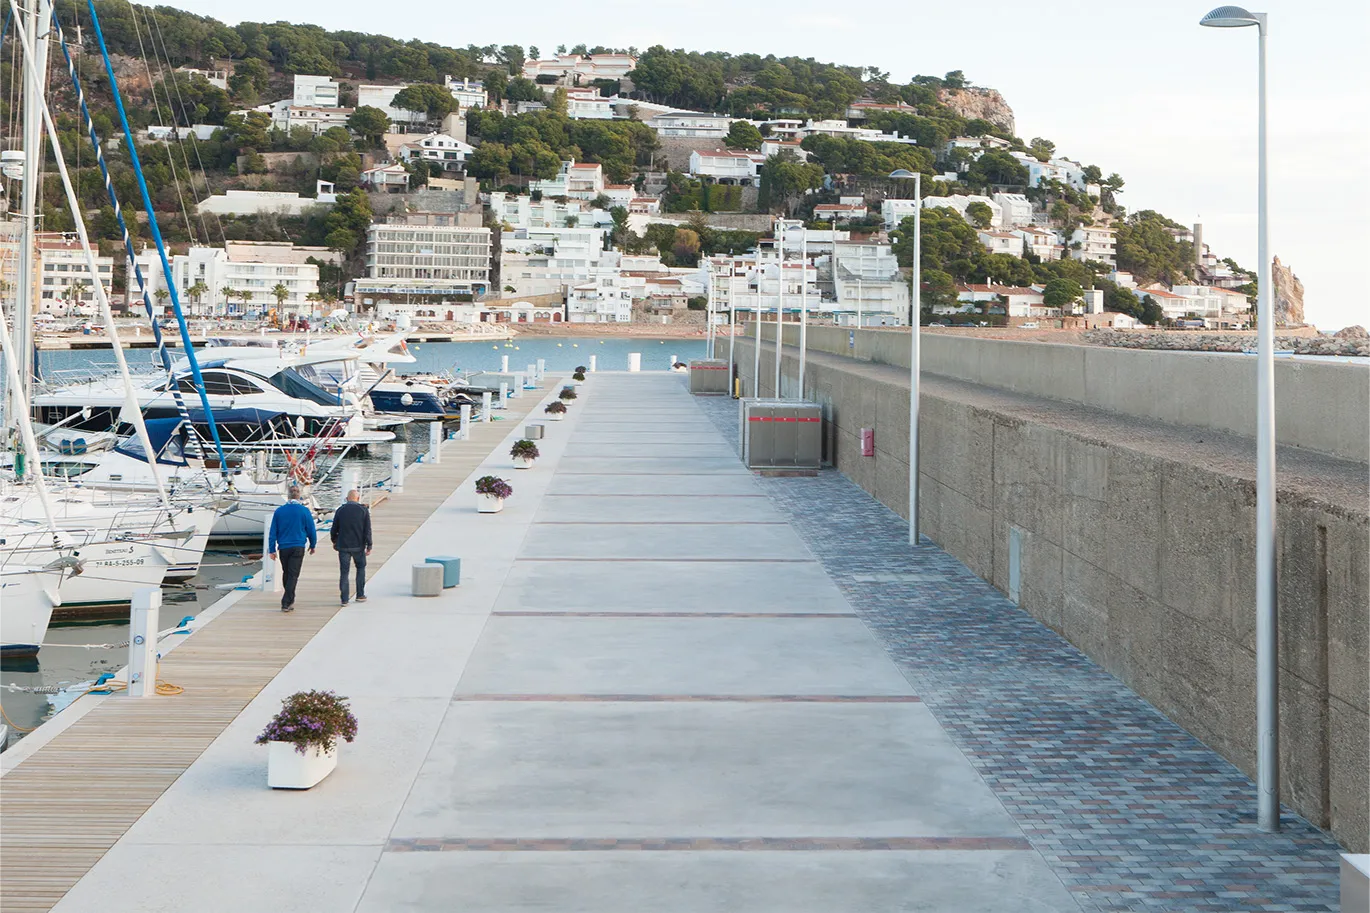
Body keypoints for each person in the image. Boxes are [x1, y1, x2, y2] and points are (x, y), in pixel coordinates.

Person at [268, 486, 317, 612]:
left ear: (288, 495)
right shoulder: (304, 511)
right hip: (298, 545)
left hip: (284, 546)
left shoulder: (279, 511)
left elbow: (273, 531)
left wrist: (272, 549)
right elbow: (311, 529)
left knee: (287, 572)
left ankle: (290, 598)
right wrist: (312, 544)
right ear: (299, 495)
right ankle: (286, 601)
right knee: (293, 574)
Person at [330, 489, 373, 606]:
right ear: (358, 498)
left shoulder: (340, 510)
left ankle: (344, 599)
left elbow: (334, 528)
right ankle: (360, 594)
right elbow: (367, 530)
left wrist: (334, 540)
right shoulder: (363, 511)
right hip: (358, 546)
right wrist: (369, 545)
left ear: (347, 498)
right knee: (361, 568)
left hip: (343, 546)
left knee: (344, 572)